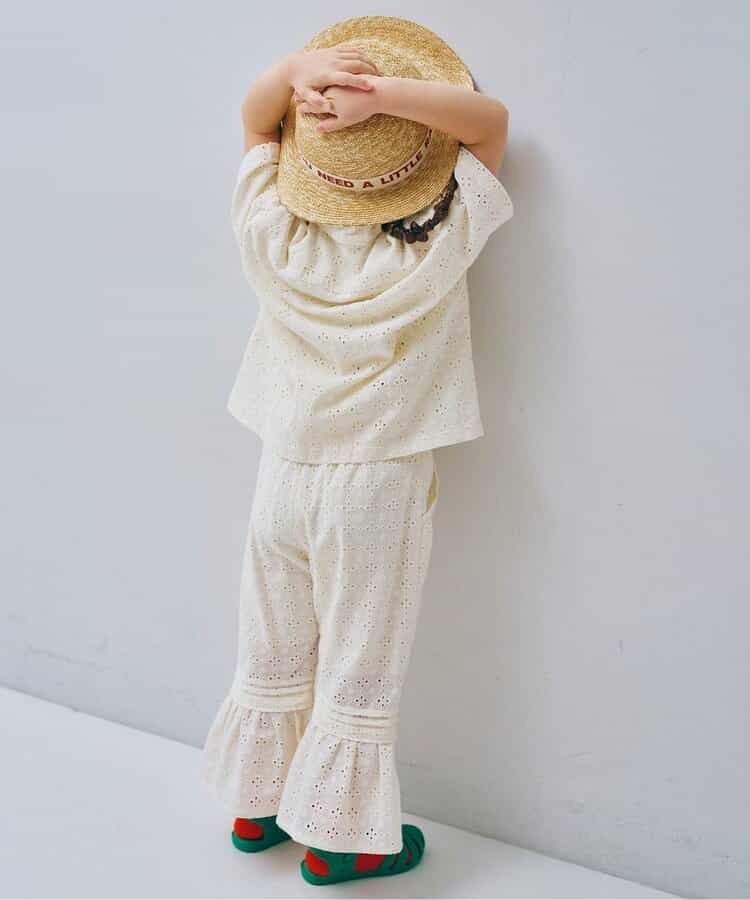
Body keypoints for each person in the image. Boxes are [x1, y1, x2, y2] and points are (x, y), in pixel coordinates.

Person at [201, 15, 513, 886]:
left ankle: (256, 808)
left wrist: (300, 70)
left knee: (273, 639)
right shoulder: (440, 238)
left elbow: (254, 121)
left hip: (283, 473)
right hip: (377, 478)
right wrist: (384, 98)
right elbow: (490, 123)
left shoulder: (271, 231)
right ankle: (345, 840)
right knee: (360, 658)